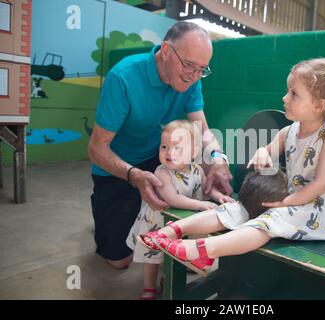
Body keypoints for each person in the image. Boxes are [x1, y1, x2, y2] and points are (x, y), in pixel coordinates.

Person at [140, 58, 325, 276]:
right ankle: (170, 231)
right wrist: (263, 152)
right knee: (238, 207)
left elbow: (320, 184)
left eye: (294, 94)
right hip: (291, 202)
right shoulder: (289, 132)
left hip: (321, 213)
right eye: (287, 91)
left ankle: (204, 251)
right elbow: (268, 149)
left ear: (319, 105)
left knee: (269, 220)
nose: (285, 97)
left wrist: (285, 202)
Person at [88, 21, 232, 270]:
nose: (194, 76)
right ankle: (106, 209)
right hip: (120, 168)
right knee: (120, 260)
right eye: (189, 65)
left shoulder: (192, 80)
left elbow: (204, 132)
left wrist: (218, 159)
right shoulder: (123, 77)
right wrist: (133, 175)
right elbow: (96, 148)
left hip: (160, 159)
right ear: (166, 50)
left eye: (202, 69)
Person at [126, 120, 233, 299]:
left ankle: (167, 279)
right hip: (157, 223)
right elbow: (172, 198)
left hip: (182, 223)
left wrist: (217, 196)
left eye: (178, 148)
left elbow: (206, 188)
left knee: (175, 256)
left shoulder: (197, 170)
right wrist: (200, 205)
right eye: (164, 146)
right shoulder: (162, 172)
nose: (169, 153)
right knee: (152, 258)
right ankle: (149, 288)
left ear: (194, 152)